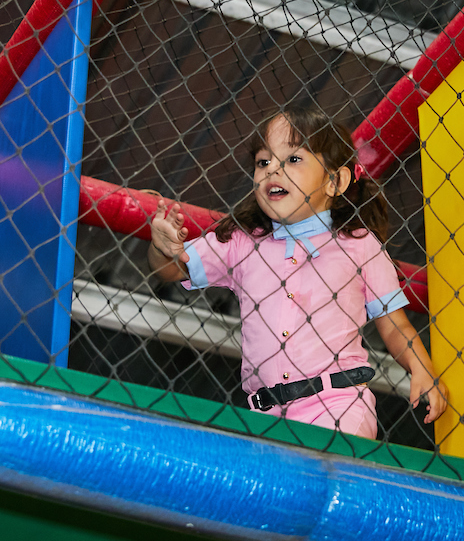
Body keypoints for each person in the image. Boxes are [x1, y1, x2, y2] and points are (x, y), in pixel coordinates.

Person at [149, 105, 447, 440]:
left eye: (292, 160)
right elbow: (173, 271)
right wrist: (164, 248)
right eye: (264, 162)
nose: (273, 170)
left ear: (335, 181)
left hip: (336, 404)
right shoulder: (244, 242)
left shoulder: (360, 245)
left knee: (327, 470)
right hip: (265, 415)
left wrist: (422, 369)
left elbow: (394, 323)